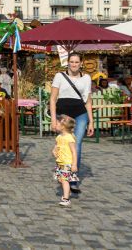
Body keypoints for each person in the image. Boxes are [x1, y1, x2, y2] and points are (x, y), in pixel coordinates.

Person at [48, 53, 93, 194]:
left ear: (81, 63)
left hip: (80, 113)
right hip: (64, 114)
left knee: (76, 144)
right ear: (67, 62)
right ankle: (63, 172)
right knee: (63, 143)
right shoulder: (59, 76)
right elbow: (53, 99)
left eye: (76, 62)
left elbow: (88, 101)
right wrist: (53, 119)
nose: (74, 64)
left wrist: (91, 121)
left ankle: (73, 179)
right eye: (71, 62)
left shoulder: (86, 78)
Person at [52, 115, 78, 207]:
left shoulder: (70, 138)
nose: (56, 124)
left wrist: (74, 164)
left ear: (63, 126)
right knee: (60, 179)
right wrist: (54, 151)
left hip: (67, 162)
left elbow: (74, 152)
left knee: (64, 180)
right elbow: (56, 146)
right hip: (60, 162)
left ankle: (66, 199)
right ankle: (68, 191)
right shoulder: (59, 137)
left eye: (57, 123)